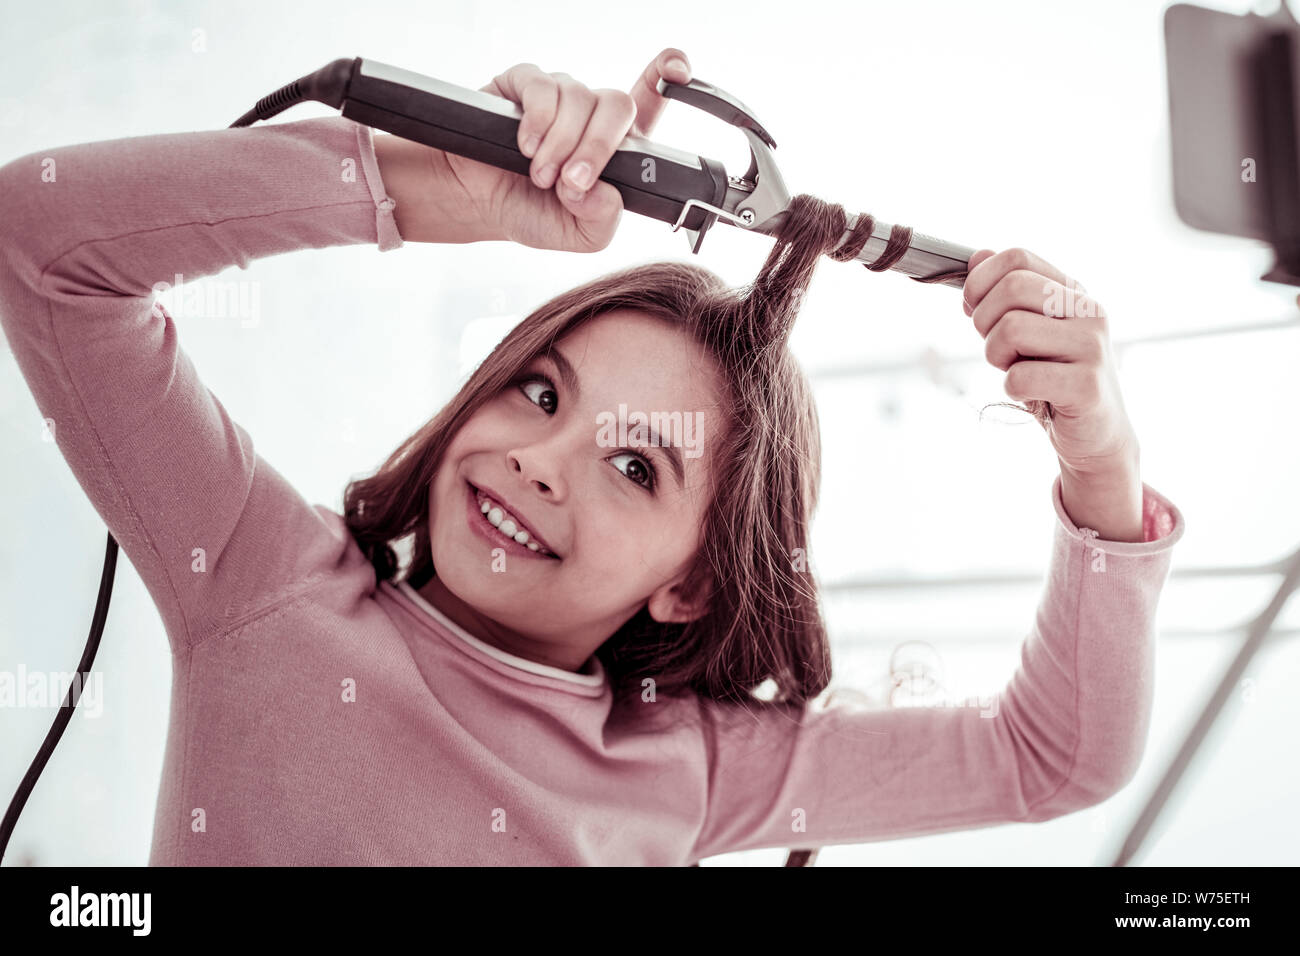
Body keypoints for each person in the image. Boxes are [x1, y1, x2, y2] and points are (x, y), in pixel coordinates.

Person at [0, 48, 1185, 865]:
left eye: (635, 466)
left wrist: (1099, 459)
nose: (540, 459)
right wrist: (436, 189)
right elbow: (44, 244)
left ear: (693, 583)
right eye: (541, 391)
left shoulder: (690, 768)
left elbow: (1052, 758)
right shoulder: (265, 581)